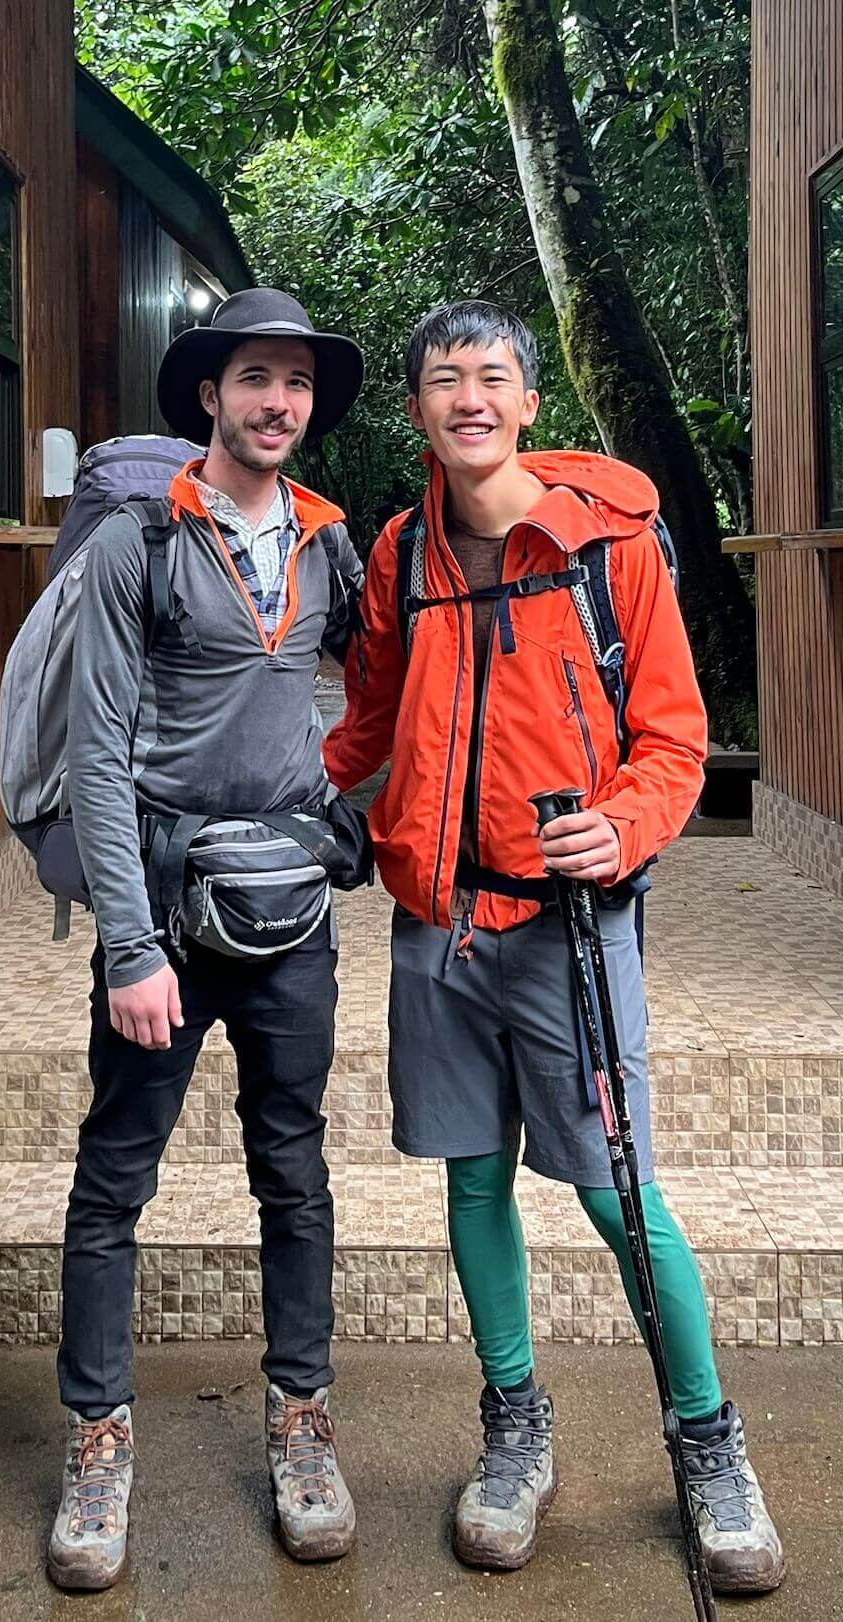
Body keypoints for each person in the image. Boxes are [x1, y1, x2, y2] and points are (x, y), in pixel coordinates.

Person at [323, 300, 784, 1595]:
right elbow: (362, 721)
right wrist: (252, 793)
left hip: (571, 931)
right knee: (472, 1184)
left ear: (528, 401)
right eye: (442, 379)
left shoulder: (606, 543)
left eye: (491, 376)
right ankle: (513, 1425)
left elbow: (675, 736)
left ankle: (708, 1441)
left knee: (617, 1195)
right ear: (415, 411)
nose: (467, 396)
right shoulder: (401, 551)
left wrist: (625, 826)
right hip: (437, 931)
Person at [48, 288, 365, 1590]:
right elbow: (96, 754)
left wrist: (353, 824)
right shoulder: (143, 540)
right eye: (256, 379)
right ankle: (97, 1436)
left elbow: (383, 691)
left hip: (291, 914)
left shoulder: (333, 548)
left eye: (295, 381)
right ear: (209, 396)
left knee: (293, 1171)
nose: (277, 401)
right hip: (167, 913)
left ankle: (302, 1419)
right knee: (116, 1175)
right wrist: (127, 943)